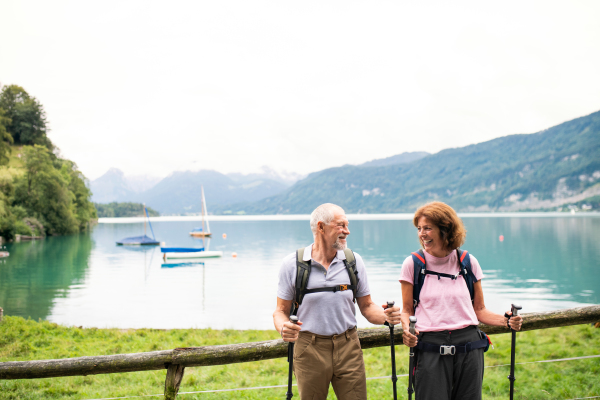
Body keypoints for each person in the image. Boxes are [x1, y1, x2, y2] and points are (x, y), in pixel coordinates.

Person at [273, 203, 401, 400]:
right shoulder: (293, 264)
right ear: (321, 227)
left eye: (347, 225)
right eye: (341, 225)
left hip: (348, 345)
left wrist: (386, 316)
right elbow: (280, 311)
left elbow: (367, 306)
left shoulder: (353, 261)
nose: (347, 231)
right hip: (309, 348)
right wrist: (283, 328)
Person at [400, 201, 523, 400]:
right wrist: (406, 328)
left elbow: (480, 310)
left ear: (445, 229)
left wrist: (507, 321)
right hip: (430, 347)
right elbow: (406, 310)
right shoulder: (413, 264)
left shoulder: (467, 262)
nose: (422, 234)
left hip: (469, 347)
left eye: (428, 228)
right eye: (419, 229)